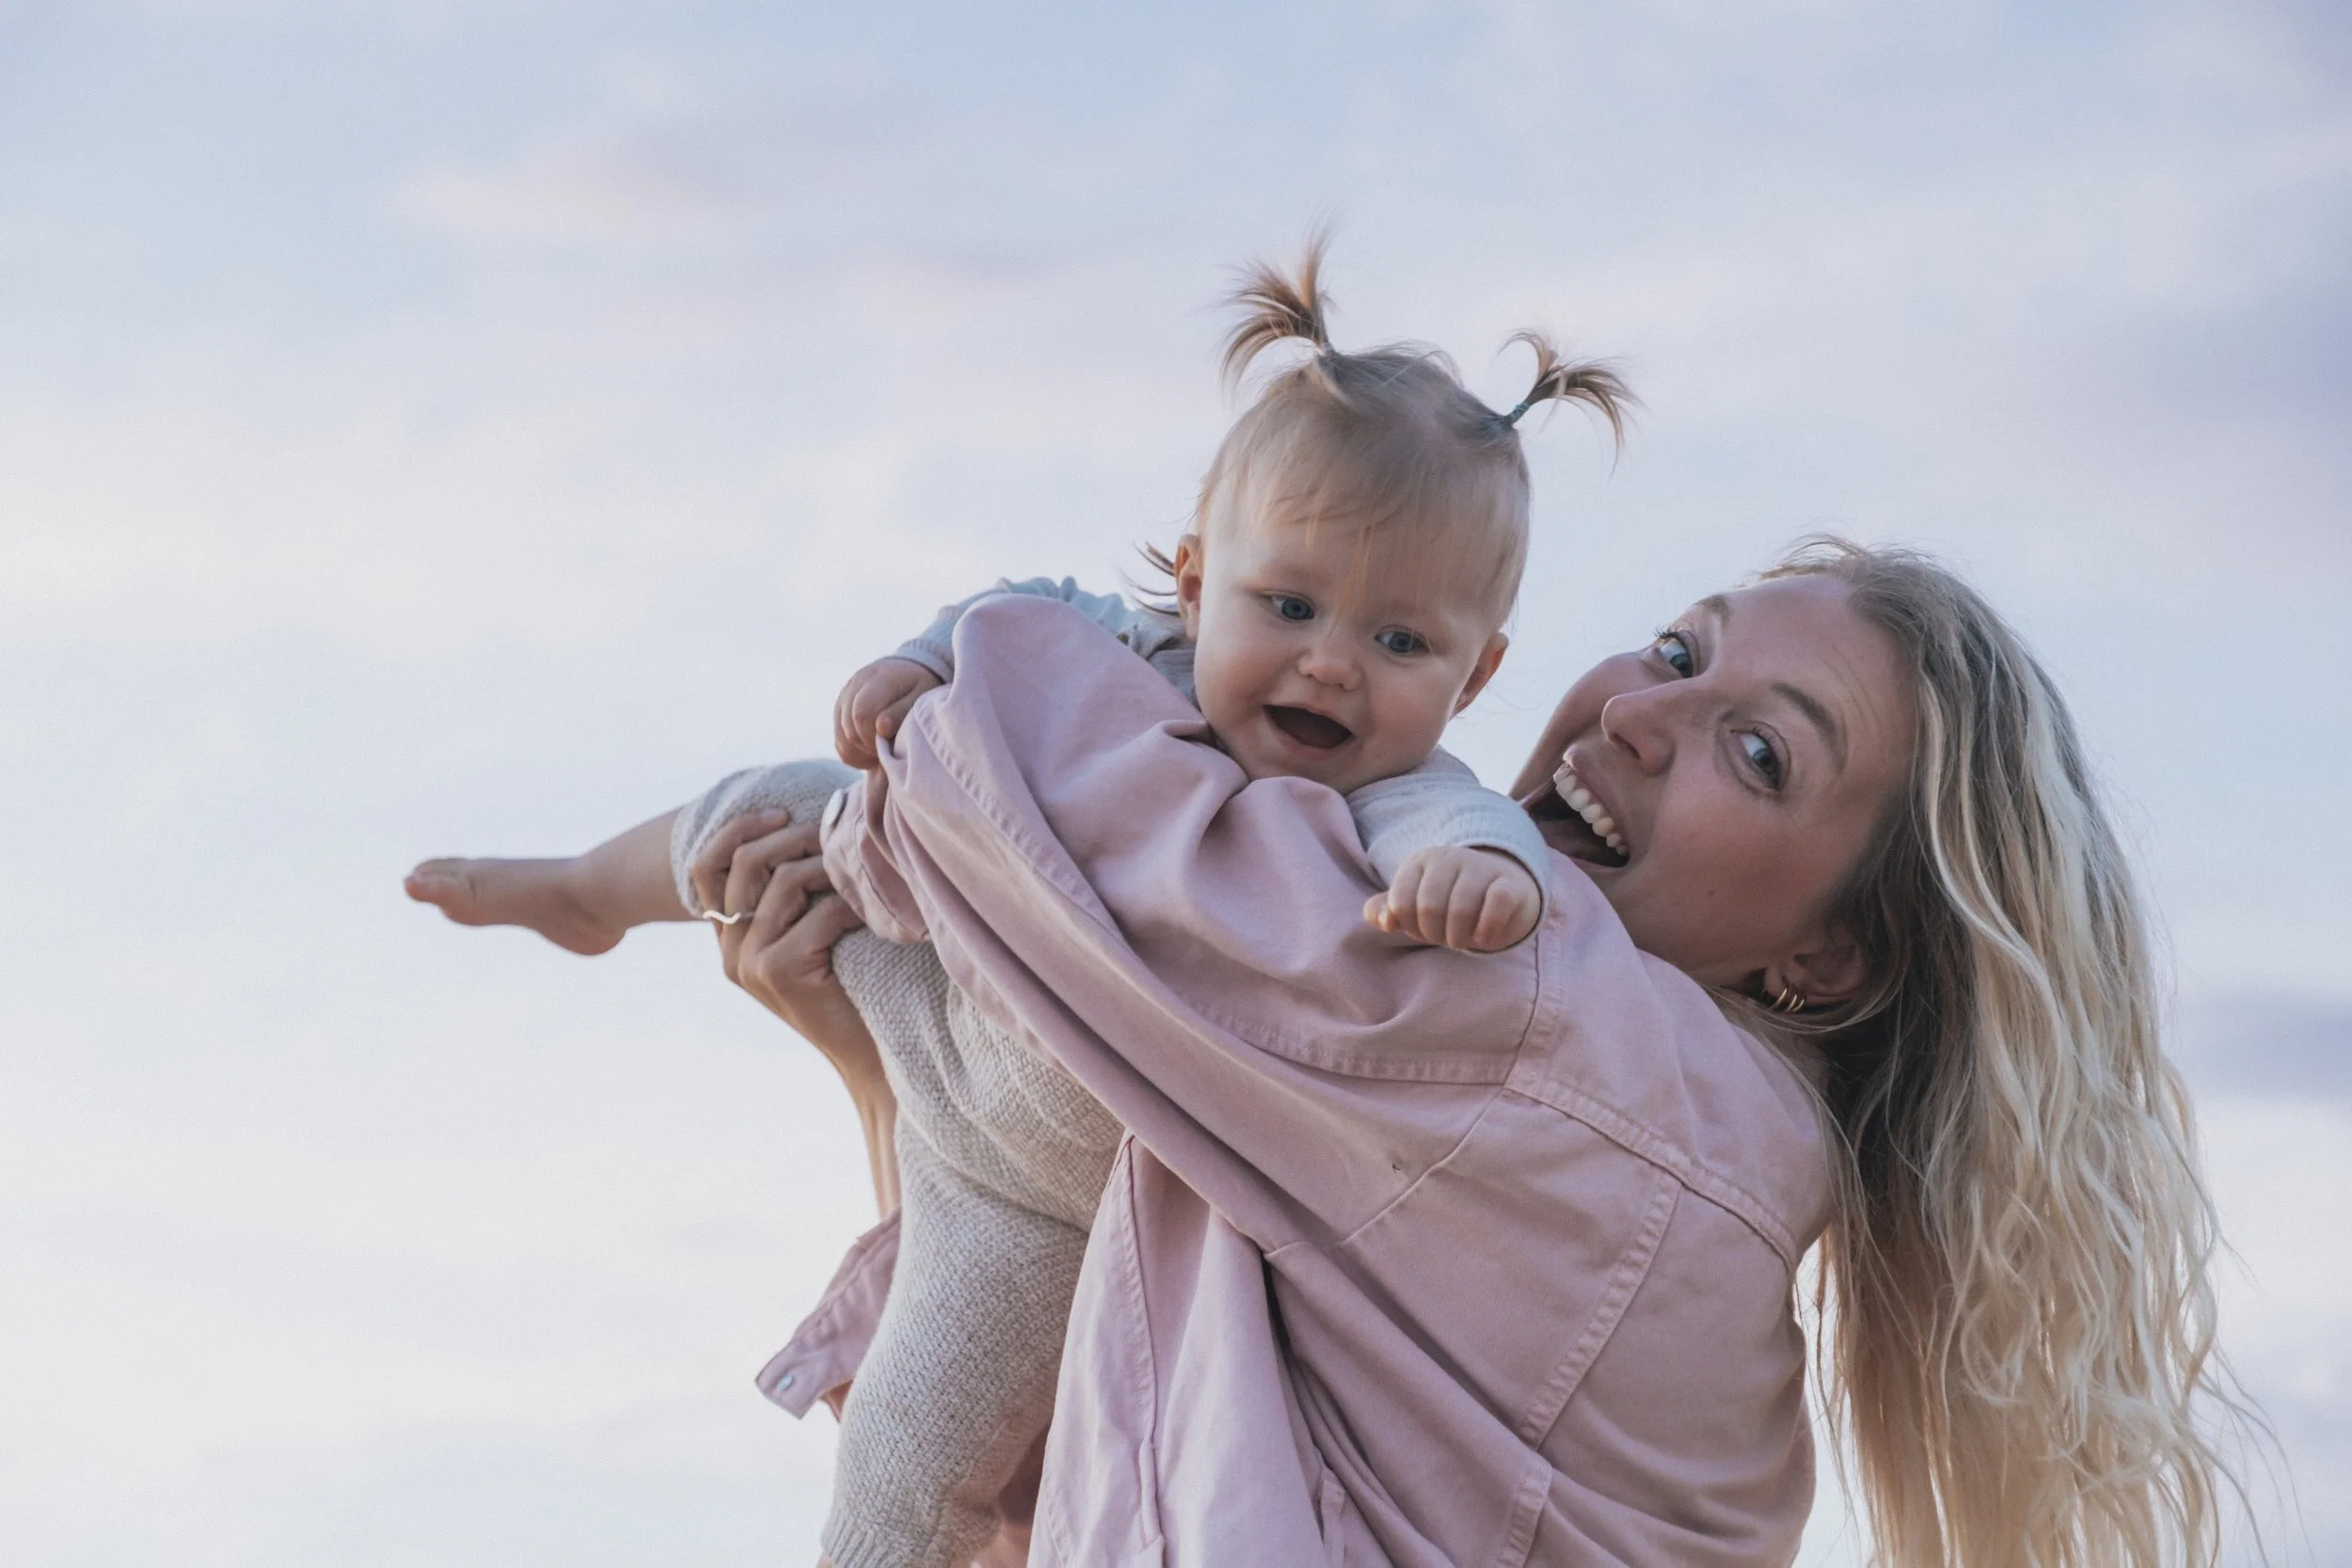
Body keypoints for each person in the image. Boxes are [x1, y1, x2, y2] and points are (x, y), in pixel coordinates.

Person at [405, 242, 1634, 1568]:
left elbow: (1467, 828)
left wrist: (1483, 879)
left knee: (907, 1447)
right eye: (1289, 603)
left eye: (1400, 641)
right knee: (767, 811)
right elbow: (1016, 611)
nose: (1332, 663)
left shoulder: (1392, 799)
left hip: (1041, 1205)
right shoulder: (1134, 656)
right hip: (937, 968)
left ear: (1476, 673)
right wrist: (915, 663)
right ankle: (588, 891)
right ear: (1194, 581)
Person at [709, 539, 2234, 1565]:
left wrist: (955, 674)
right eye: (1675, 648)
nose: (1643, 714)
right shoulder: (1658, 1165)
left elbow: (1073, 822)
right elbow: (1074, 1474)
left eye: (1761, 752)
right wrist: (883, 1076)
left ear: (1830, 958)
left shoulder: (1547, 1041)